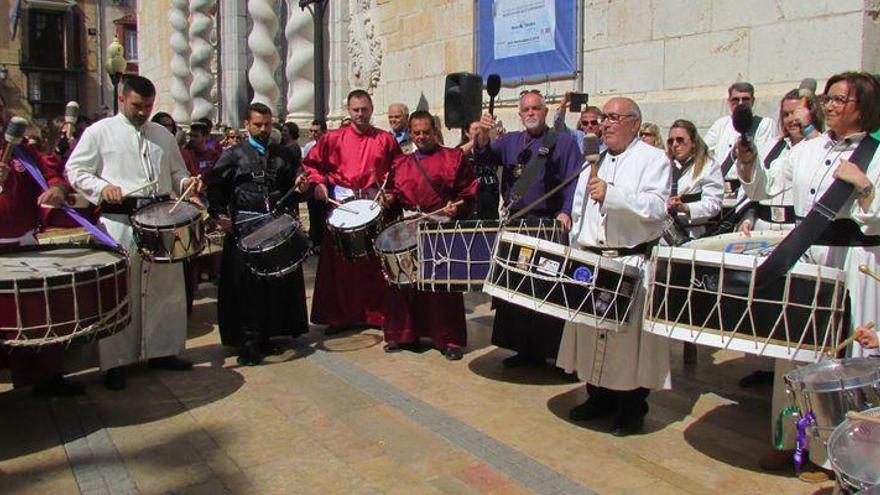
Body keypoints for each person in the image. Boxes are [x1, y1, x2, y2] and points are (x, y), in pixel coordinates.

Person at [737, 71, 880, 476]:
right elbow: (765, 190)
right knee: (797, 351)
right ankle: (792, 441)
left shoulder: (876, 153)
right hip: (808, 259)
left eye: (840, 100)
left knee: (851, 358)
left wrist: (865, 187)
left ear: (864, 106)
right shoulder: (806, 150)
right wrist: (749, 165)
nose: (830, 106)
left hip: (856, 261)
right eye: (829, 99)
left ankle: (852, 456)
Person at [65, 75, 202, 390]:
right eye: (137, 106)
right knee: (121, 293)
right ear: (122, 100)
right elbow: (76, 170)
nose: (143, 112)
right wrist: (102, 188)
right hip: (121, 222)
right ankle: (115, 363)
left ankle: (163, 351)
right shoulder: (99, 133)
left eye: (148, 106)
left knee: (165, 290)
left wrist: (185, 183)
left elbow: (177, 171)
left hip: (161, 219)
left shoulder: (163, 135)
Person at [557, 97, 672, 437]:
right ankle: (598, 397)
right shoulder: (595, 160)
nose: (604, 124)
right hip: (593, 261)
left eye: (613, 118)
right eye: (602, 118)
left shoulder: (654, 160)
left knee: (627, 344)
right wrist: (575, 250)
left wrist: (612, 195)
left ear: (635, 123)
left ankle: (631, 409)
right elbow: (579, 210)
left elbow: (656, 208)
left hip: (629, 260)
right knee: (593, 335)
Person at [475, 89, 581, 368]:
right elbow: (484, 160)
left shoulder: (564, 143)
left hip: (547, 227)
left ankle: (555, 355)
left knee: (547, 290)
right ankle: (524, 350)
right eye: (526, 109)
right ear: (520, 114)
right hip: (515, 225)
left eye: (536, 108)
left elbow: (573, 182)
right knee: (516, 291)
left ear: (545, 112)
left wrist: (566, 212)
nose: (531, 113)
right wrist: (484, 136)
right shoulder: (509, 141)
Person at [206, 103, 309, 365]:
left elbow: (296, 180)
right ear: (247, 124)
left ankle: (268, 335)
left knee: (273, 286)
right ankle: (248, 342)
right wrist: (219, 215)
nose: (263, 130)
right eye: (258, 125)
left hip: (275, 228)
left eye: (267, 124)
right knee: (246, 288)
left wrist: (301, 183)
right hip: (244, 228)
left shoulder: (284, 153)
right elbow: (215, 186)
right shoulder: (233, 155)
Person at [0, 92, 84, 396]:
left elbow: (54, 175)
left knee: (39, 313)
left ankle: (48, 378)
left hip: (24, 247)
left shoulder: (22, 154)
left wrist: (57, 190)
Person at [303, 89, 402, 333]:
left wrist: (392, 194)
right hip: (341, 209)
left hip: (373, 207)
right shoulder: (332, 139)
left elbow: (399, 170)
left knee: (374, 267)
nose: (361, 114)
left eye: (365, 109)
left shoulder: (385, 140)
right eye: (356, 110)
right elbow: (312, 165)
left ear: (371, 109)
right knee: (339, 268)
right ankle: (339, 317)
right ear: (349, 110)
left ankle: (376, 314)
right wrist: (318, 183)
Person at [381, 111, 478, 360]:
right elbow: (392, 194)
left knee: (442, 288)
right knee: (405, 284)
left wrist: (457, 205)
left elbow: (468, 191)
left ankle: (449, 340)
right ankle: (405, 334)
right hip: (409, 228)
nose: (421, 137)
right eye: (416, 133)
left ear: (434, 131)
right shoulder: (400, 163)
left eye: (426, 132)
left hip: (440, 229)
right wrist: (388, 199)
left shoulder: (453, 158)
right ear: (410, 133)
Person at [739, 88, 824, 236]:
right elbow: (757, 189)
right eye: (786, 115)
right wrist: (748, 218)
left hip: (796, 231)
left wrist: (808, 129)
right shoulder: (771, 146)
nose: (791, 119)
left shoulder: (822, 146)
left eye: (796, 113)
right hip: (763, 229)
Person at [703, 82, 779, 217]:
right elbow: (702, 152)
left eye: (745, 99)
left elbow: (763, 160)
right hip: (720, 196)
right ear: (728, 101)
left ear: (753, 101)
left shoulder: (764, 124)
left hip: (745, 195)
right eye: (735, 99)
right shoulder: (720, 124)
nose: (740, 103)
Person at [665, 119, 724, 241]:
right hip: (665, 236)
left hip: (694, 234)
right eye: (671, 141)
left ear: (693, 142)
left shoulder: (708, 166)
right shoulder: (663, 166)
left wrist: (685, 207)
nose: (675, 144)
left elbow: (714, 204)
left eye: (680, 140)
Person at [458, 120, 499, 219]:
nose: (480, 131)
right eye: (476, 129)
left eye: (482, 128)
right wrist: (476, 140)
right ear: (467, 133)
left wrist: (498, 138)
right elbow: (455, 156)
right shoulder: (462, 151)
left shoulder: (491, 150)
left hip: (490, 205)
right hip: (470, 208)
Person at [301, 119, 329, 248]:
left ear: (324, 131)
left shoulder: (331, 146)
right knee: (314, 214)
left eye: (316, 131)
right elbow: (307, 167)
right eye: (311, 131)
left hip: (328, 187)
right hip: (313, 186)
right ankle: (316, 241)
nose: (314, 134)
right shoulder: (309, 147)